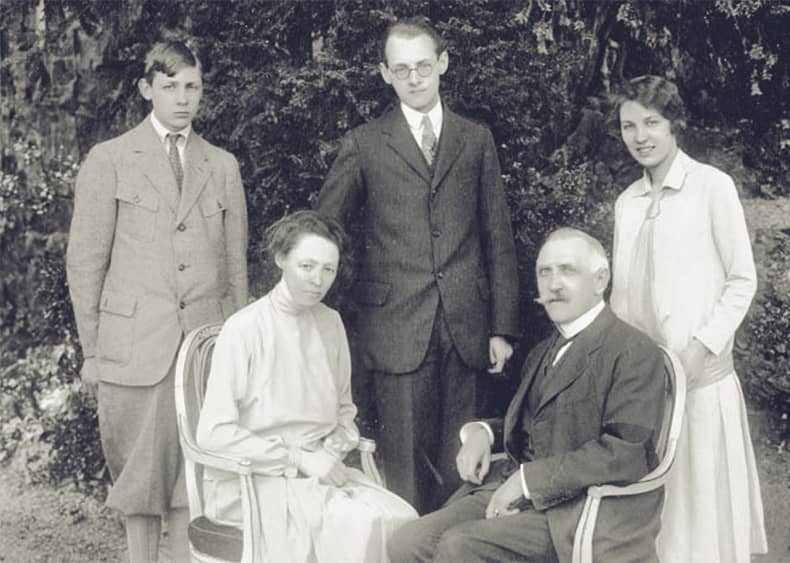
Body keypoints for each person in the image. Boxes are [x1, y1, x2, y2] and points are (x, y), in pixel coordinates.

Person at [316, 15, 519, 515]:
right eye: (401, 69)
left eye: (423, 66)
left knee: (464, 467)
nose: (414, 78)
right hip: (394, 329)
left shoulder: (475, 140)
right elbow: (325, 230)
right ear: (385, 73)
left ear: (443, 64)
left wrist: (503, 328)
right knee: (403, 471)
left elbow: (498, 236)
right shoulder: (364, 143)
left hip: (465, 329)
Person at [65, 39, 248, 562]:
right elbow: (85, 264)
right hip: (132, 349)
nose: (183, 99)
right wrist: (93, 353)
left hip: (203, 348)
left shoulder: (222, 165)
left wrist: (234, 349)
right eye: (170, 87)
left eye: (192, 87)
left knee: (196, 480)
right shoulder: (111, 160)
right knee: (141, 483)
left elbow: (235, 267)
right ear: (147, 89)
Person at [388, 228, 667, 562]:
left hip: (579, 510)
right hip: (519, 492)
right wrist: (483, 433)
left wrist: (527, 482)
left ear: (601, 279)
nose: (553, 284)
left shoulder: (633, 350)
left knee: (459, 546)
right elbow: (532, 420)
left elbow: (624, 452)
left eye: (568, 270)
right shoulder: (543, 351)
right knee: (408, 540)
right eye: (544, 272)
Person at [196, 210, 418, 562]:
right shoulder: (245, 329)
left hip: (322, 471)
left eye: (328, 270)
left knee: (401, 520)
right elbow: (212, 433)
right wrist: (298, 458)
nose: (318, 280)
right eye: (307, 266)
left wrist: (331, 448)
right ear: (282, 258)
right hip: (254, 480)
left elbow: (345, 412)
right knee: (358, 526)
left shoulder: (331, 323)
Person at [610, 75, 767, 562]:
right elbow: (621, 295)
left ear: (675, 124)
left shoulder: (711, 188)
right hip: (644, 385)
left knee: (702, 512)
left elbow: (742, 280)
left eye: (651, 123)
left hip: (700, 377)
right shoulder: (627, 203)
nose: (640, 136)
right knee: (656, 513)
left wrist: (702, 346)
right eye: (629, 126)